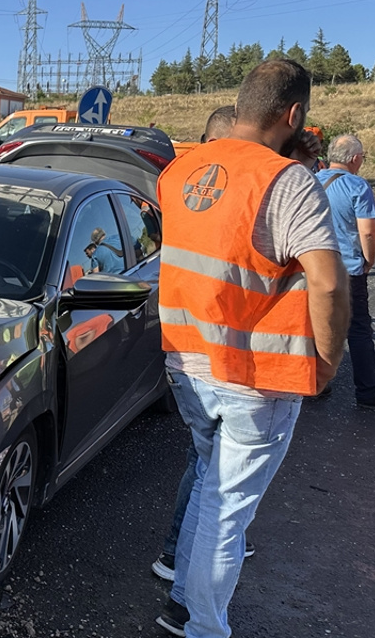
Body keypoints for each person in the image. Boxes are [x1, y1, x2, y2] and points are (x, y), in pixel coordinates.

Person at [153, 59, 349, 638]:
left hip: (185, 359)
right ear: (293, 114)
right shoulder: (286, 181)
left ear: (240, 105)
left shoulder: (179, 172)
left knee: (210, 483)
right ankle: (206, 627)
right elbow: (329, 282)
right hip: (255, 374)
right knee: (227, 507)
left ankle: (184, 604)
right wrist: (329, 361)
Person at [149, 103, 254, 587]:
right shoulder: (233, 191)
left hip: (185, 345)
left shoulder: (176, 181)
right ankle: (181, 556)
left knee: (206, 457)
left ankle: (190, 549)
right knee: (210, 466)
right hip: (216, 354)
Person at [318, 135, 375, 411]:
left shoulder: (312, 181)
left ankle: (313, 383)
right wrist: (368, 260)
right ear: (355, 159)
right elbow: (367, 230)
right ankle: (368, 392)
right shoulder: (357, 185)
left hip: (314, 267)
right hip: (347, 268)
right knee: (358, 331)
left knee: (313, 326)